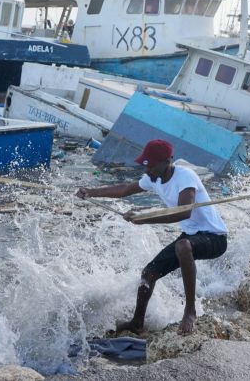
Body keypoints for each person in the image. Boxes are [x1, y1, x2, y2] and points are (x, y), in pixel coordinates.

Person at [76, 139, 229, 335]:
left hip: (215, 238)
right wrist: (92, 192)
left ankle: (190, 311)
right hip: (191, 236)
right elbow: (124, 189)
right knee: (148, 274)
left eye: (151, 165)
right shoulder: (153, 178)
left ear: (168, 162)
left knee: (183, 246)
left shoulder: (185, 177)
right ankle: (137, 323)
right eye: (145, 165)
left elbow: (183, 212)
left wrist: (144, 219)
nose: (147, 170)